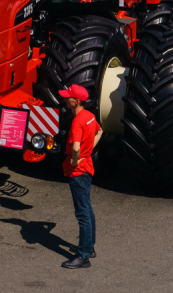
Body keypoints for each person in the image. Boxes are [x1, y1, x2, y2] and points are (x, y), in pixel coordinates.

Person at [59, 84, 101, 269]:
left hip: (78, 171)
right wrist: (88, 151)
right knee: (88, 209)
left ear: (76, 101)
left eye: (68, 97)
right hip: (88, 166)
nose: (65, 99)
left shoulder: (77, 122)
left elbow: (75, 147)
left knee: (82, 213)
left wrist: (76, 159)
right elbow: (100, 131)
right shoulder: (90, 117)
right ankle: (89, 247)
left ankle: (83, 256)